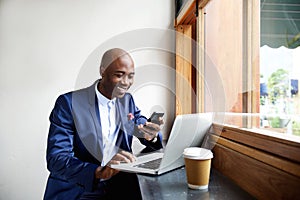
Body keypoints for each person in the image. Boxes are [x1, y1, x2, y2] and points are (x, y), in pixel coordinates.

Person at [44, 48, 164, 199]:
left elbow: (138, 121)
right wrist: (99, 172)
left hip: (120, 185)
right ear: (103, 71)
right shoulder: (68, 104)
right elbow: (57, 159)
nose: (126, 82)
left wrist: (149, 134)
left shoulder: (127, 100)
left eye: (130, 76)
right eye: (119, 75)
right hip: (81, 187)